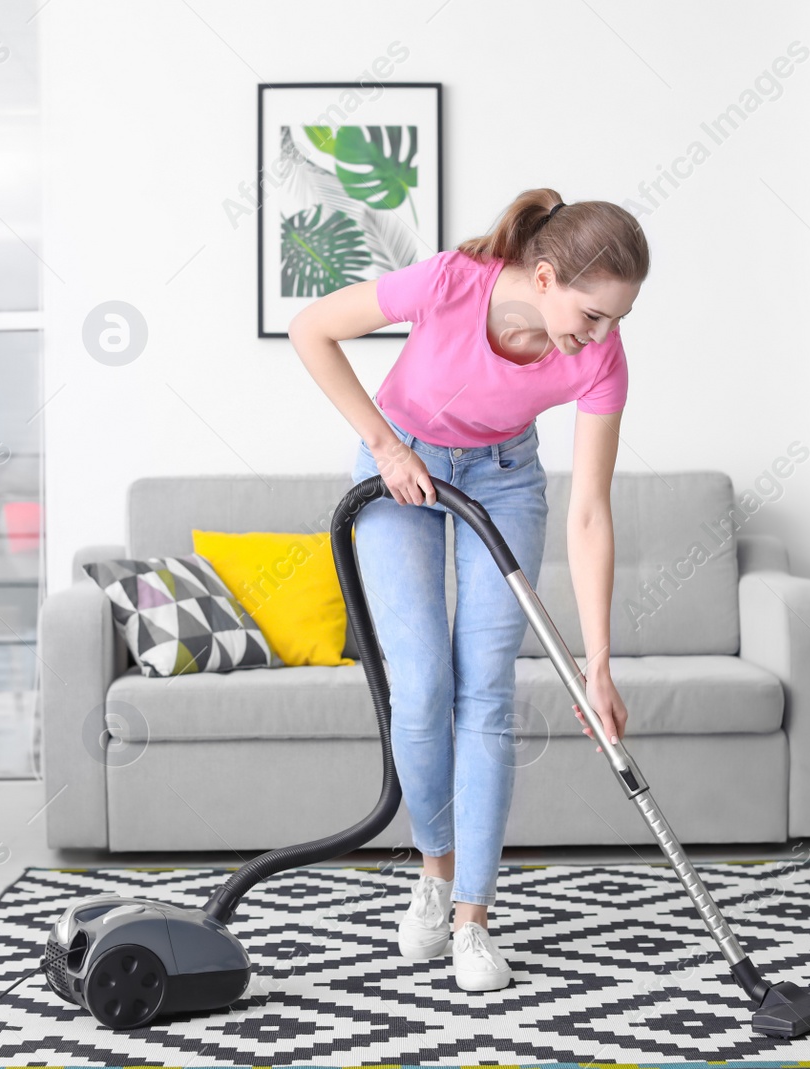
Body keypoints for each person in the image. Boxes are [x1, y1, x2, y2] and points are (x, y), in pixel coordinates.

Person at [288, 188, 648, 992]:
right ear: (546, 277)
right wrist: (384, 447)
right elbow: (310, 329)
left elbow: (590, 513)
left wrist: (597, 663)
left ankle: (475, 919)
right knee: (421, 686)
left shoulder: (598, 357)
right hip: (399, 462)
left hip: (505, 478)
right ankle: (435, 873)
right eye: (593, 315)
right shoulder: (453, 281)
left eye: (617, 320)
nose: (601, 336)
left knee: (485, 693)